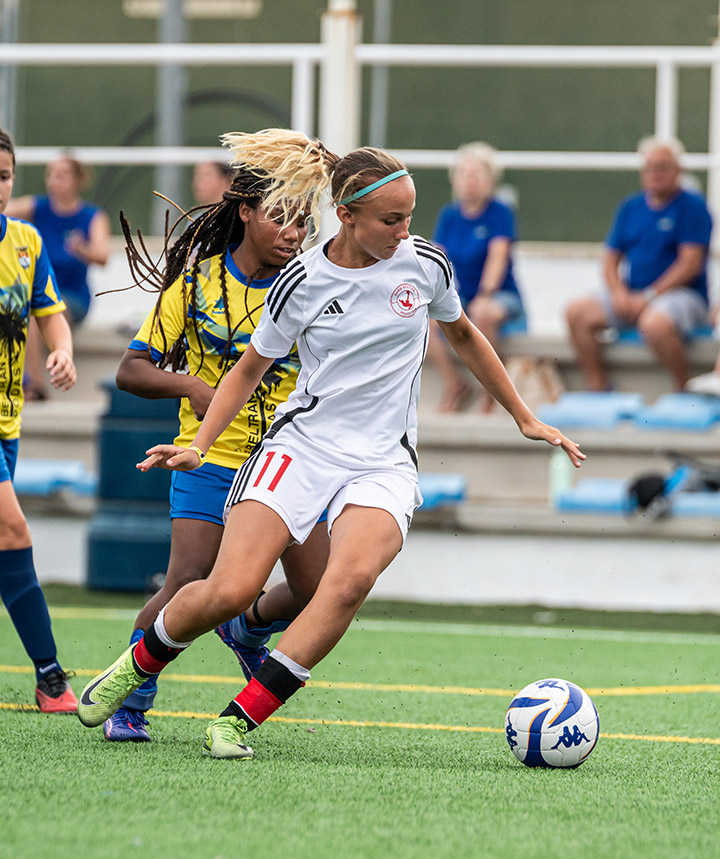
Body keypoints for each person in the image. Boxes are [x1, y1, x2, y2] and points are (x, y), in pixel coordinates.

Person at [77, 140, 585, 759]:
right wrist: (199, 445)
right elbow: (247, 370)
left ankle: (238, 720)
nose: (404, 232)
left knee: (346, 584)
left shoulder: (426, 264)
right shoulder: (302, 280)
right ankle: (138, 665)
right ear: (346, 215)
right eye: (390, 220)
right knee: (229, 589)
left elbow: (465, 335)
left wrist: (525, 417)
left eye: (409, 217)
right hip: (301, 449)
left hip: (383, 463)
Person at [102, 130, 332, 742]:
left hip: (289, 462)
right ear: (245, 211)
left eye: (304, 221)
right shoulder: (195, 284)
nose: (294, 232)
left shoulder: (314, 285)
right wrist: (192, 388)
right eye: (281, 216)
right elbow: (131, 370)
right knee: (187, 580)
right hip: (210, 459)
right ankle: (131, 697)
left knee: (319, 591)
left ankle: (247, 626)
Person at [0, 129, 78, 712]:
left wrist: (63, 350)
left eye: (3, 176)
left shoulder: (26, 241)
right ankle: (50, 674)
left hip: (9, 422)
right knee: (13, 530)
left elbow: (49, 314)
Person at [565, 136, 713, 392]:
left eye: (662, 167)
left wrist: (650, 296)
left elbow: (690, 264)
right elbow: (610, 259)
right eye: (649, 167)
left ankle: (683, 389)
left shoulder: (693, 206)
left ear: (678, 170)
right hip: (633, 294)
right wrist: (618, 293)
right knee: (576, 312)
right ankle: (598, 386)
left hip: (682, 296)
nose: (655, 173)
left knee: (654, 324)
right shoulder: (630, 207)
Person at [426, 142, 526, 412]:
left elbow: (498, 257)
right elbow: (437, 256)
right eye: (463, 173)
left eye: (475, 174)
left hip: (501, 295)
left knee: (483, 313)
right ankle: (454, 384)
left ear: (490, 179)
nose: (468, 180)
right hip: (463, 295)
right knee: (426, 320)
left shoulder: (500, 212)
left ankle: (493, 390)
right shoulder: (449, 215)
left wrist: (486, 294)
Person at [7, 154, 110, 399]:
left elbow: (103, 256)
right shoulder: (37, 207)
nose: (54, 180)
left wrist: (82, 249)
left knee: (34, 310)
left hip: (72, 297)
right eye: (51, 174)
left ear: (78, 180)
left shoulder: (92, 216)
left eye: (62, 175)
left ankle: (34, 386)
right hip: (39, 292)